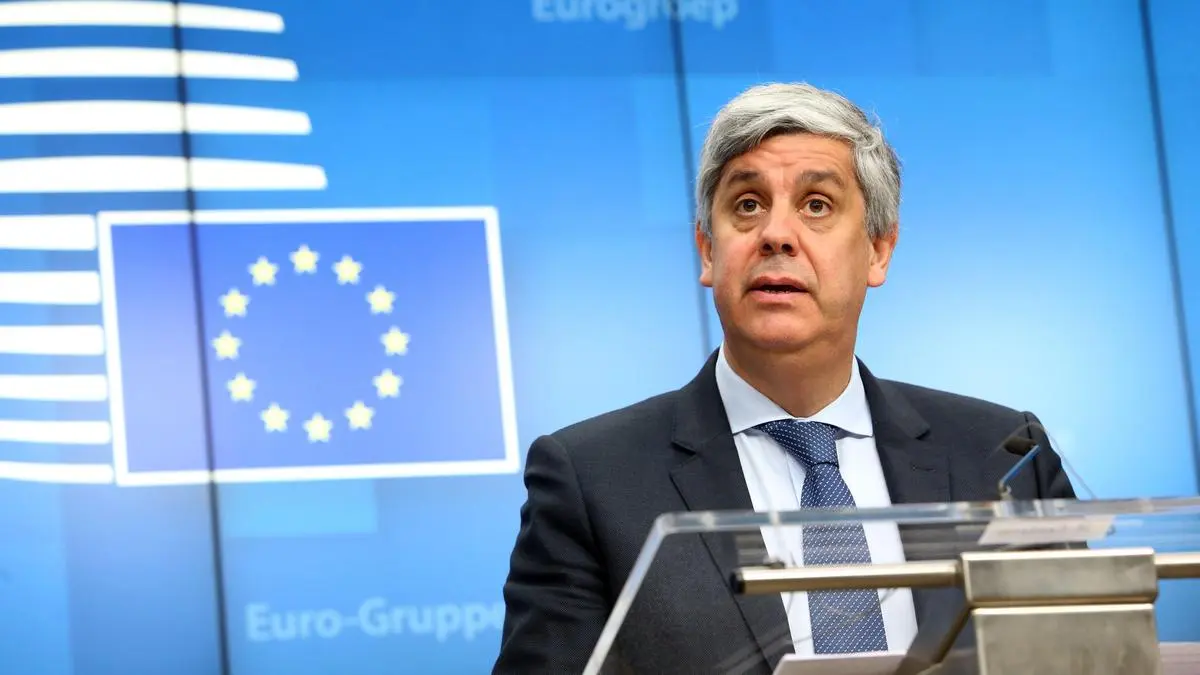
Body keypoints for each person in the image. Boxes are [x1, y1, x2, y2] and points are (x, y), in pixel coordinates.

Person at [492, 82, 1075, 674]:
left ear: (878, 250)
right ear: (707, 250)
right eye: (747, 205)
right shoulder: (592, 481)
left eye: (817, 205)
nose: (776, 234)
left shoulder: (1006, 455)